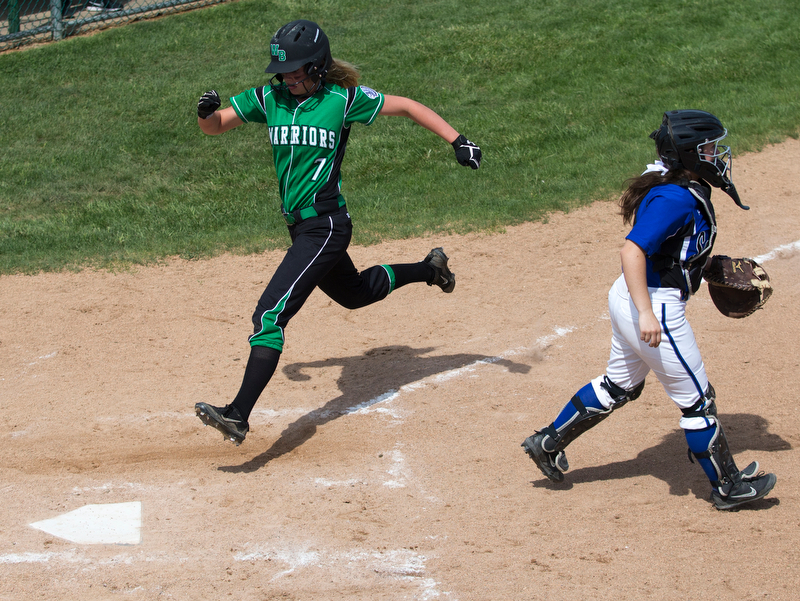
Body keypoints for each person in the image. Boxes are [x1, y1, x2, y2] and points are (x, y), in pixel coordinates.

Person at [193, 19, 482, 446]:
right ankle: (430, 269)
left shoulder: (342, 100)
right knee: (356, 293)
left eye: (296, 70)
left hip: (326, 226)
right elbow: (216, 126)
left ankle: (238, 414)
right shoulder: (268, 98)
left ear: (318, 66)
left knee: (270, 315)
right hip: (302, 229)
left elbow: (405, 106)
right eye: (283, 70)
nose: (288, 77)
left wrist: (457, 139)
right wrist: (204, 114)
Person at [521, 110, 776, 510]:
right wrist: (646, 313)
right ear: (691, 153)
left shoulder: (682, 186)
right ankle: (727, 488)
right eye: (710, 148)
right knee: (698, 401)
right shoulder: (674, 197)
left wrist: (704, 266)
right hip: (652, 305)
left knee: (620, 385)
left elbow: (667, 250)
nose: (718, 154)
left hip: (630, 296)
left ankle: (547, 442)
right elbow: (632, 250)